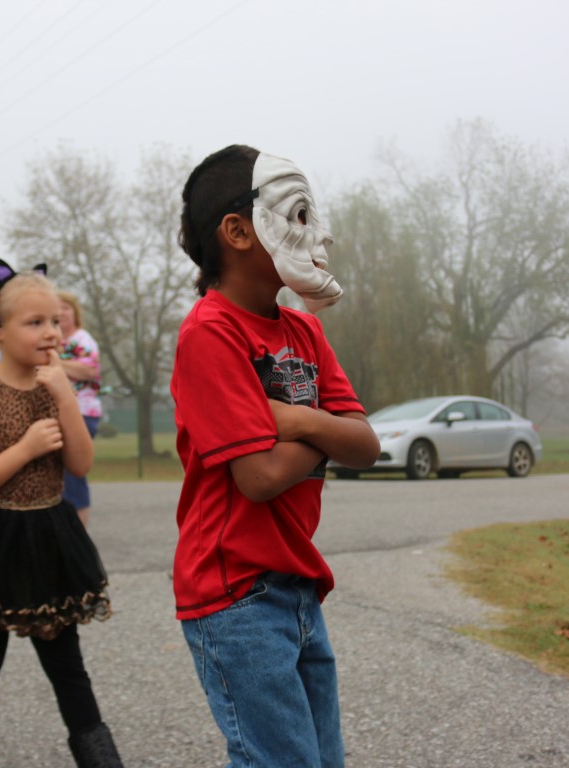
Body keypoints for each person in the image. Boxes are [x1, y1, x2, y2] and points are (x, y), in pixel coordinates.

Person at [170, 145, 380, 767]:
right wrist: (329, 432)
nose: (320, 233)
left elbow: (367, 445)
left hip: (297, 585)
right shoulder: (210, 332)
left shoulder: (305, 330)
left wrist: (297, 420)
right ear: (238, 231)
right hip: (235, 593)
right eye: (299, 213)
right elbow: (258, 477)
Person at [0, 257, 122, 767]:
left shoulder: (56, 388)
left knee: (67, 664)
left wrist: (66, 399)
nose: (51, 332)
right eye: (34, 322)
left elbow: (80, 464)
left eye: (54, 321)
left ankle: (101, 761)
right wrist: (25, 449)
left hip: (48, 535)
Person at [57, 291, 103, 527]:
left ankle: (78, 530)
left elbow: (89, 370)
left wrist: (55, 363)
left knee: (74, 473)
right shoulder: (53, 340)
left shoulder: (82, 340)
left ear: (75, 312)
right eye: (57, 308)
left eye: (66, 307)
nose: (61, 312)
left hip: (82, 412)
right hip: (57, 413)